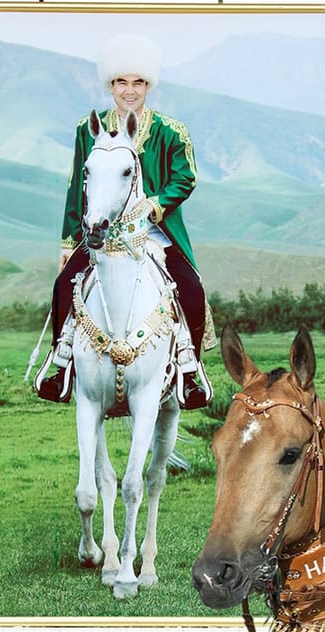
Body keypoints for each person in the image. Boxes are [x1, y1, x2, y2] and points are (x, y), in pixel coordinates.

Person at [33, 32, 211, 409]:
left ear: (148, 85)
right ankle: (60, 366)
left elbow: (186, 176)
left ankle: (189, 369)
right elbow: (76, 185)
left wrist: (156, 204)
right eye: (121, 82)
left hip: (154, 235)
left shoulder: (170, 131)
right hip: (99, 233)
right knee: (64, 285)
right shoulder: (89, 129)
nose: (129, 91)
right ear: (110, 85)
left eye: (138, 83)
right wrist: (68, 242)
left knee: (192, 290)